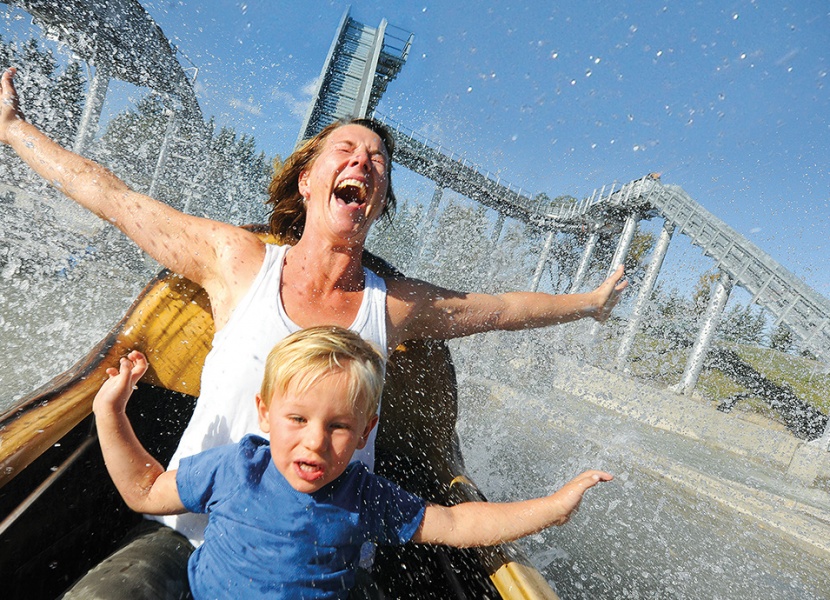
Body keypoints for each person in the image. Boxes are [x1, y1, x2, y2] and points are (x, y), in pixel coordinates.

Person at [1, 66, 626, 592]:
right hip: (189, 531)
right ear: (308, 179)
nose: (365, 162)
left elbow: (501, 310)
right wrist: (13, 130)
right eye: (347, 151)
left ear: (378, 201)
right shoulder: (237, 261)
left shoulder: (392, 308)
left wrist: (589, 302)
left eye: (377, 161)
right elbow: (114, 198)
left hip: (323, 566)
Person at [92, 326, 613, 599]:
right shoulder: (236, 468)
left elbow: (454, 522)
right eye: (297, 419)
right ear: (265, 414)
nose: (315, 443)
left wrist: (552, 507)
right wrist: (109, 410)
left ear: (365, 432)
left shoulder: (363, 495)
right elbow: (144, 489)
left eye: (339, 427)